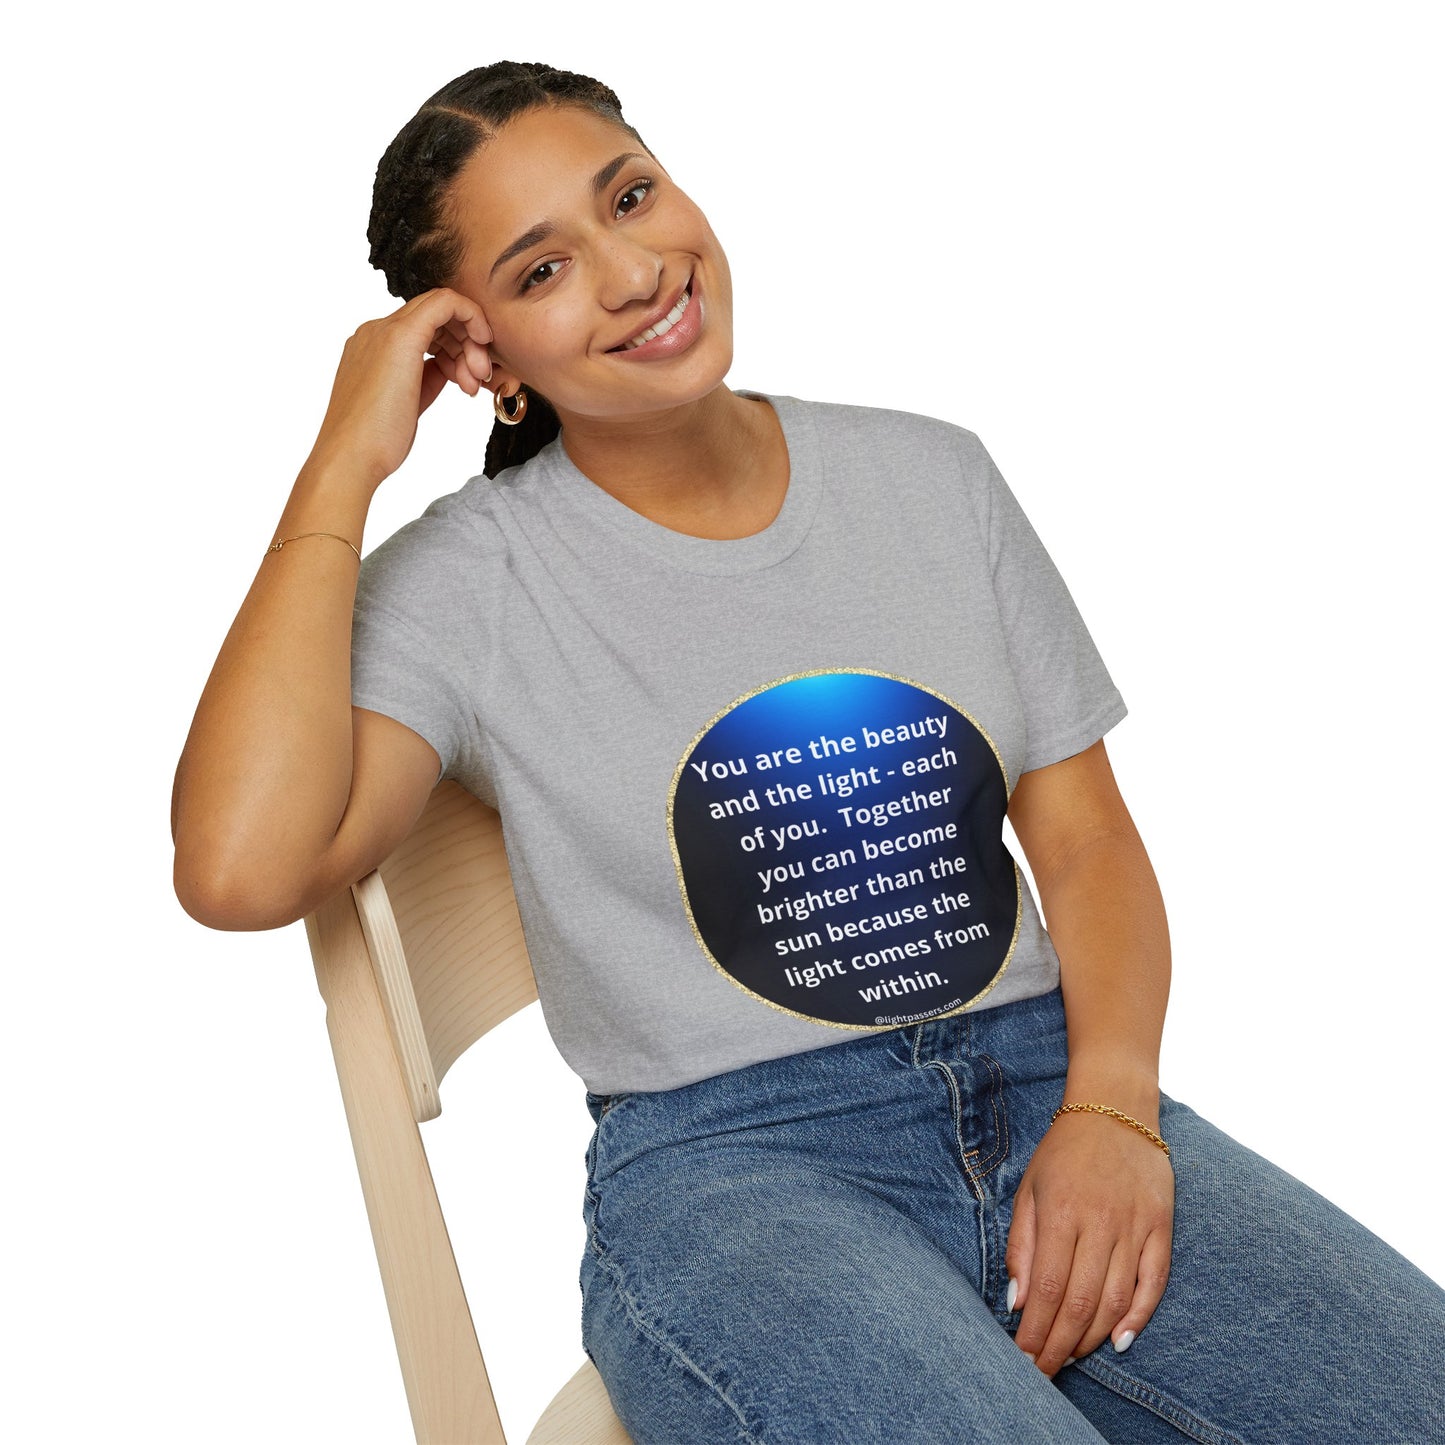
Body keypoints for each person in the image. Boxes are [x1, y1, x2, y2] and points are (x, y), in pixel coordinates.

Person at [172, 61, 1445, 1444]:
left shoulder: (934, 479)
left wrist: (1113, 1111)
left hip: (1046, 1081)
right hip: (735, 1170)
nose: (632, 270)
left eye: (632, 196)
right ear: (482, 358)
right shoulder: (471, 581)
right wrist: (340, 463)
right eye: (542, 270)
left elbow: (1083, 845)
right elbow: (240, 868)